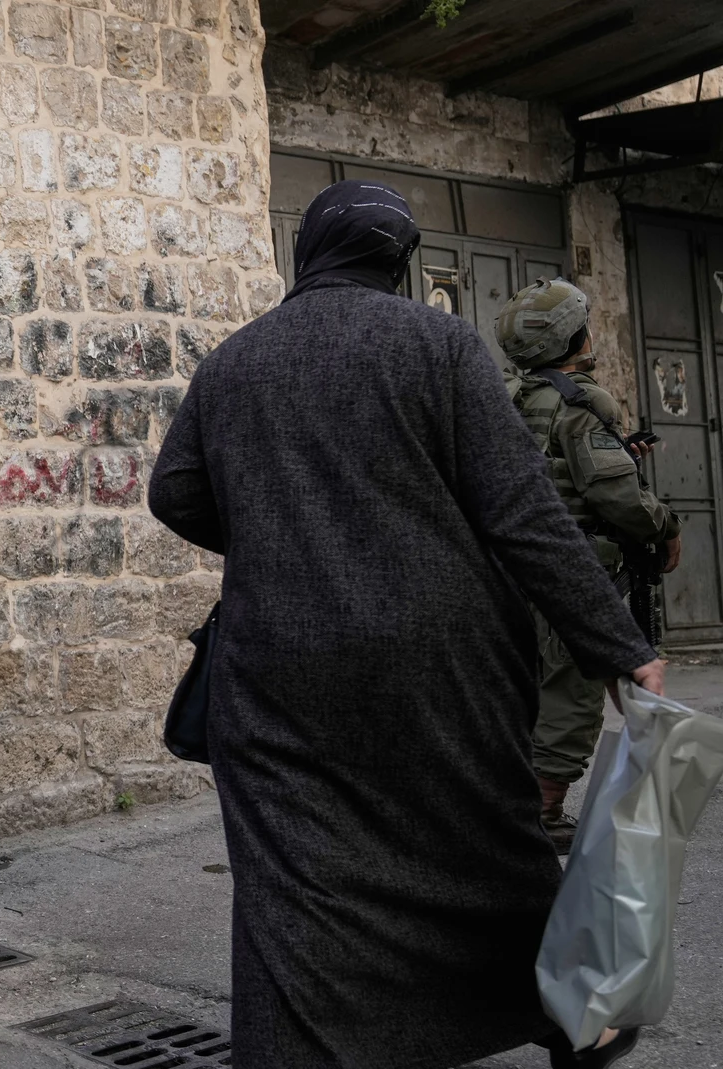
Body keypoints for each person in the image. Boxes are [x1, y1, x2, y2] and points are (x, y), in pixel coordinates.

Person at [147, 180, 660, 1069]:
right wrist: (618, 646)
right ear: (397, 259)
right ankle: (579, 1017)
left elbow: (176, 491)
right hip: (441, 658)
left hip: (279, 668)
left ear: (305, 253)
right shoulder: (439, 344)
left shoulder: (233, 361)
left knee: (292, 878)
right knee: (483, 846)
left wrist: (280, 533)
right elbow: (522, 512)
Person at [499, 278, 681, 853]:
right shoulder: (580, 403)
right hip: (572, 570)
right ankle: (542, 811)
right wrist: (666, 523)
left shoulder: (509, 396)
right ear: (576, 338)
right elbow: (617, 499)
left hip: (511, 566)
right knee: (573, 688)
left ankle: (518, 796)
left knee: (531, 681)